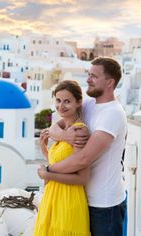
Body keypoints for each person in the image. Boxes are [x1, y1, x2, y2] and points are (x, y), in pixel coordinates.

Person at [38, 57, 127, 236]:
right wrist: (64, 135)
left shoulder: (113, 114)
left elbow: (83, 158)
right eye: (88, 74)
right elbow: (55, 125)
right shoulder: (89, 104)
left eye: (94, 76)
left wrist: (48, 171)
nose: (88, 79)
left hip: (105, 204)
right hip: (82, 197)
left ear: (109, 82)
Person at [34, 80, 91, 236]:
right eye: (58, 100)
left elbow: (82, 178)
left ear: (78, 102)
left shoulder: (79, 132)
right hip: (52, 197)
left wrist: (47, 174)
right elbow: (62, 164)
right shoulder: (61, 129)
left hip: (68, 199)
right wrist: (44, 149)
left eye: (67, 101)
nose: (61, 106)